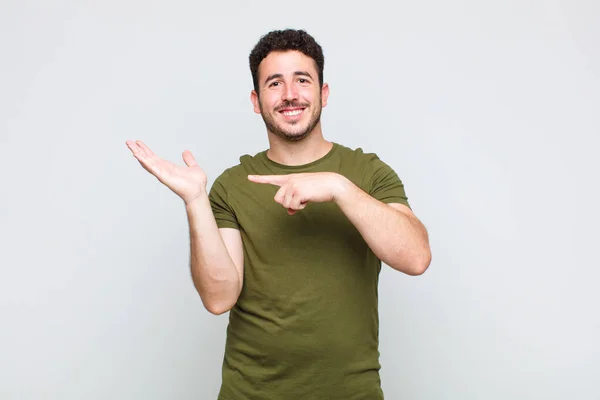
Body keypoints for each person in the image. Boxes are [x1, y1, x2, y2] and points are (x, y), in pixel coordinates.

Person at [126, 29, 431, 400]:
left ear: (324, 92)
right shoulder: (232, 186)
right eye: (275, 83)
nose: (290, 94)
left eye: (302, 80)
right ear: (256, 101)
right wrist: (195, 200)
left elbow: (415, 258)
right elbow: (219, 298)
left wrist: (338, 187)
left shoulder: (367, 173)